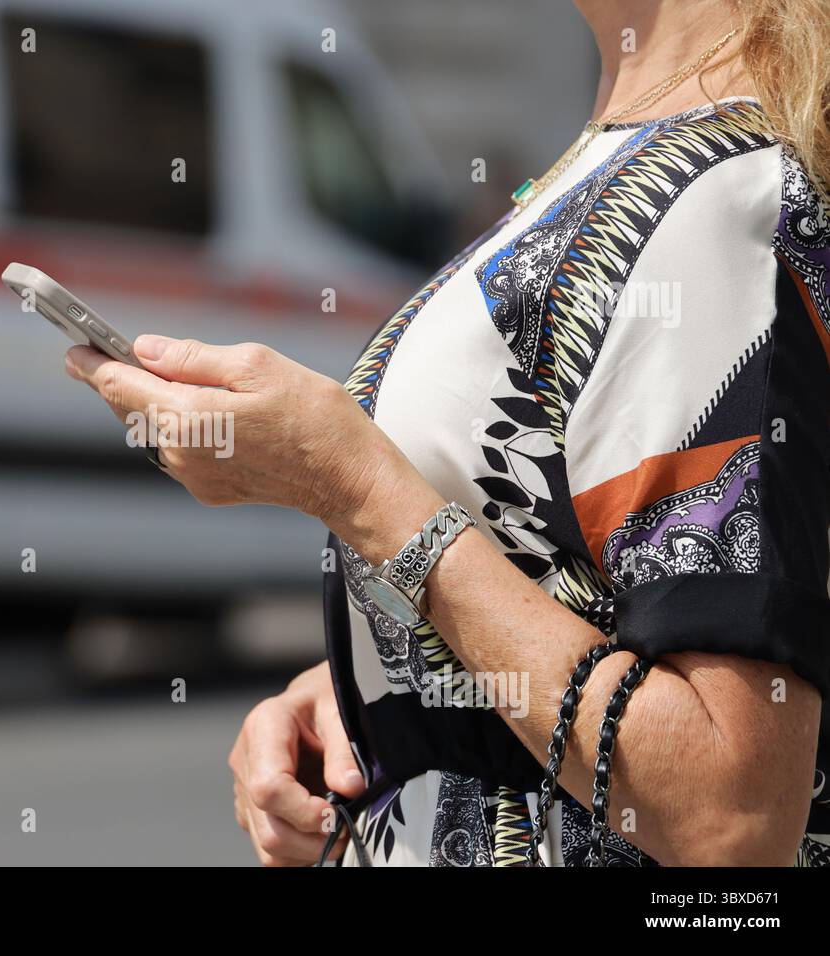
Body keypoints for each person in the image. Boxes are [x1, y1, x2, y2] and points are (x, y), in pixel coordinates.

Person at [65, 0, 830, 866]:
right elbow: (594, 596)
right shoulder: (640, 155)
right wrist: (377, 694)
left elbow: (729, 812)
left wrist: (349, 484)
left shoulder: (719, 201)